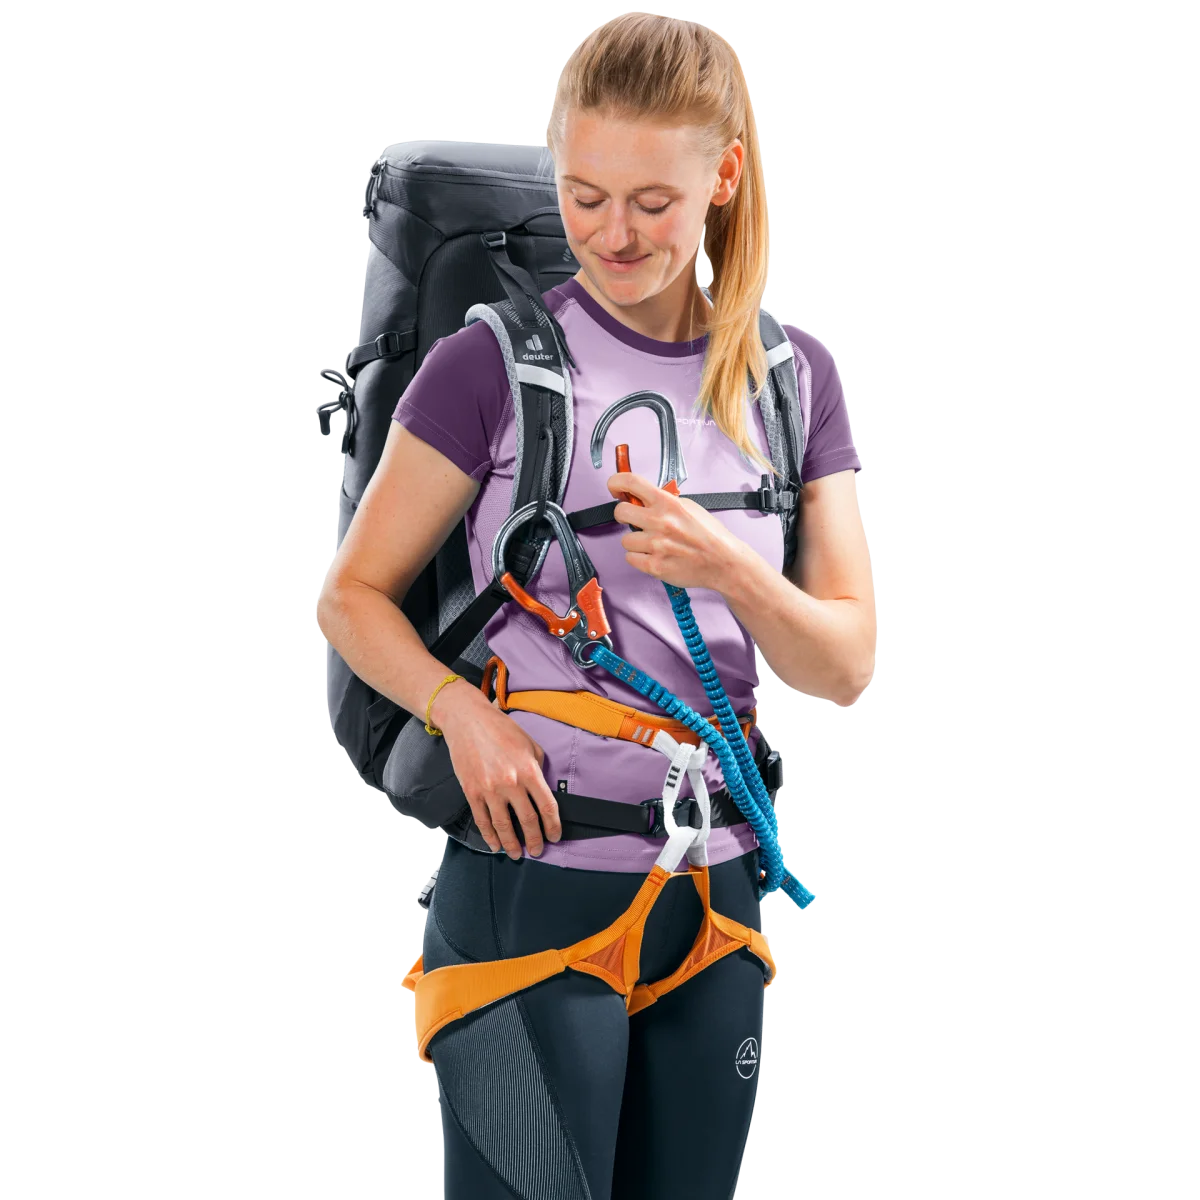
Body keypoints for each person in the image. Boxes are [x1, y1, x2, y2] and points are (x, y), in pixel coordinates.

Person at [316, 13, 873, 1199]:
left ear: (724, 177)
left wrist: (728, 570)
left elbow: (843, 665)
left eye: (652, 203)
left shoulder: (795, 381)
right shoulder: (490, 365)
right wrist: (462, 716)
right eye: (585, 197)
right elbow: (352, 598)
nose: (613, 236)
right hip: (533, 879)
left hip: (717, 894)